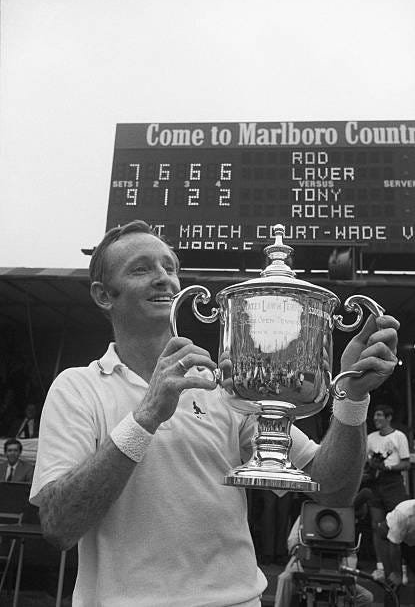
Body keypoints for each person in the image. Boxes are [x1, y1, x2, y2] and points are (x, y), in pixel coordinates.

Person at [29, 220, 399, 607]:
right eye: (141, 269)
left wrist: (352, 397)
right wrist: (146, 417)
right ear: (104, 295)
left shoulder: (224, 385)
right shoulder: (77, 387)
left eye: (169, 267)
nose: (164, 279)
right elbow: (59, 526)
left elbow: (329, 488)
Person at [274, 515, 373, 607]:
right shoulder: (307, 513)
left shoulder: (345, 515)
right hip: (306, 565)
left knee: (366, 597)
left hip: (339, 568)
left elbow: (351, 552)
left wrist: (350, 578)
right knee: (284, 579)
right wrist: (302, 548)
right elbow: (292, 542)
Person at [366, 404, 410, 579]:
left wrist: (387, 466)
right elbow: (366, 461)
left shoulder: (399, 436)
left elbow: (406, 463)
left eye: (379, 415)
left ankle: (401, 569)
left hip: (394, 484)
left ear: (389, 417)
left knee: (398, 525)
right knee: (377, 526)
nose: (376, 419)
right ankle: (381, 567)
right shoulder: (370, 437)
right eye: (375, 415)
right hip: (376, 483)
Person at [377, 499, 415, 605]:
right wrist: (398, 573)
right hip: (389, 537)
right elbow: (395, 544)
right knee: (393, 581)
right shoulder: (404, 512)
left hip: (410, 541)